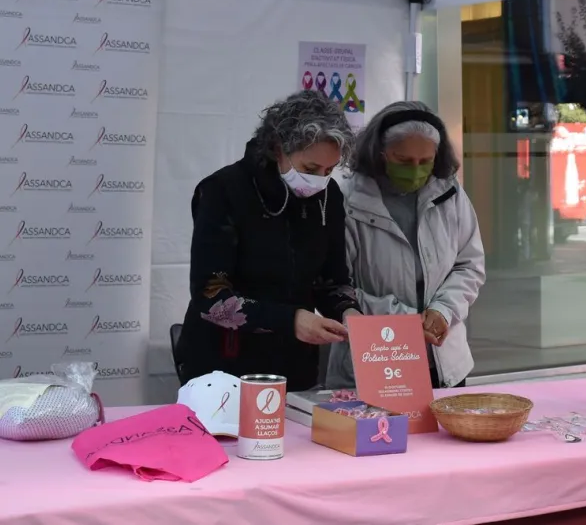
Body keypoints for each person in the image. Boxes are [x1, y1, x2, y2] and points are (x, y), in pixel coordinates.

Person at [178, 91, 360, 392]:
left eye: (329, 171)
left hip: (294, 369)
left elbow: (332, 279)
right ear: (279, 148)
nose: (319, 181)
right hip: (223, 369)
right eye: (311, 169)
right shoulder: (224, 191)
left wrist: (347, 310)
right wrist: (290, 319)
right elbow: (211, 297)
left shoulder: (329, 197)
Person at [326, 101, 484, 390]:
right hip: (376, 358)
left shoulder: (449, 193)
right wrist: (406, 320)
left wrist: (443, 310)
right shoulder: (348, 200)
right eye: (403, 160)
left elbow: (469, 265)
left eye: (425, 162)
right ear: (380, 154)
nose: (415, 170)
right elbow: (335, 287)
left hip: (445, 361)